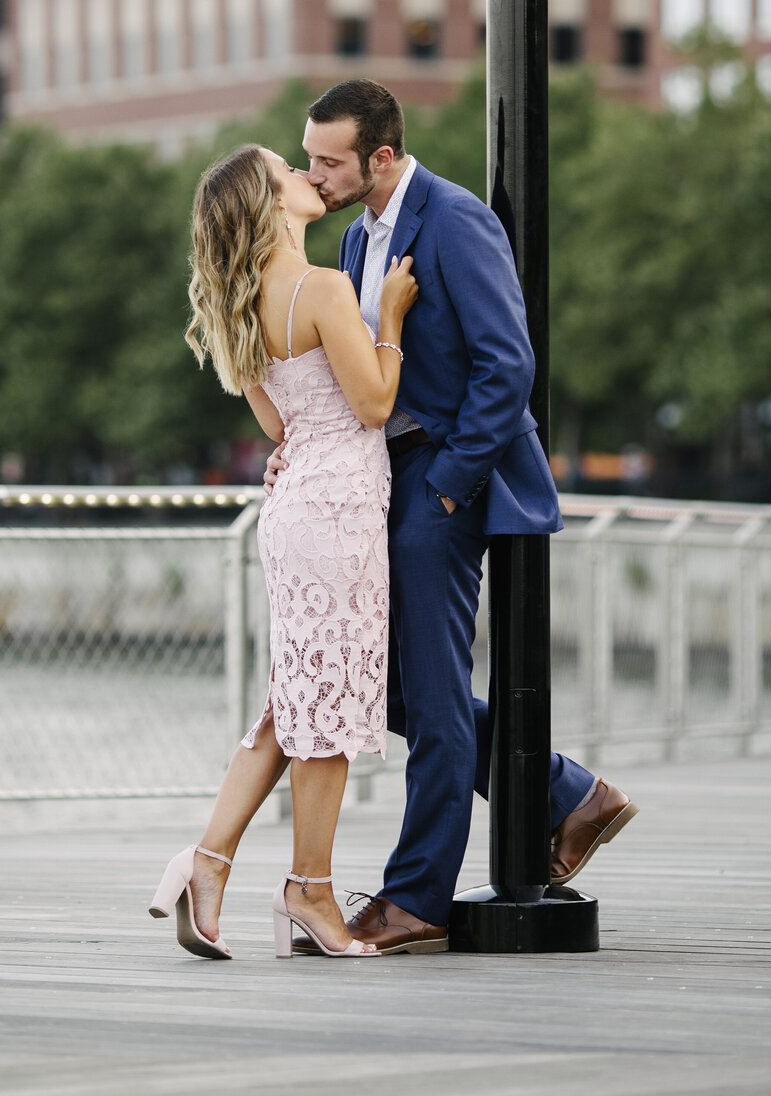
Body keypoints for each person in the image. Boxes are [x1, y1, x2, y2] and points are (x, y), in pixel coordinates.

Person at [265, 79, 637, 955]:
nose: (314, 173)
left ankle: (416, 898)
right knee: (390, 688)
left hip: (443, 479)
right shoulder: (355, 237)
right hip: (386, 477)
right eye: (308, 157)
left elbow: (508, 366)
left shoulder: (456, 217)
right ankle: (567, 793)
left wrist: (447, 487)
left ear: (382, 156)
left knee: (428, 695)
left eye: (330, 160)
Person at [150, 142, 419, 960]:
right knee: (326, 714)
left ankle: (206, 863)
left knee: (294, 703)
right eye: (288, 172)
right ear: (270, 205)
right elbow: (372, 404)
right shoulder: (324, 288)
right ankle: (310, 890)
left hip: (295, 507)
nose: (307, 176)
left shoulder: (244, 302)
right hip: (338, 512)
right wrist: (393, 321)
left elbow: (276, 425)